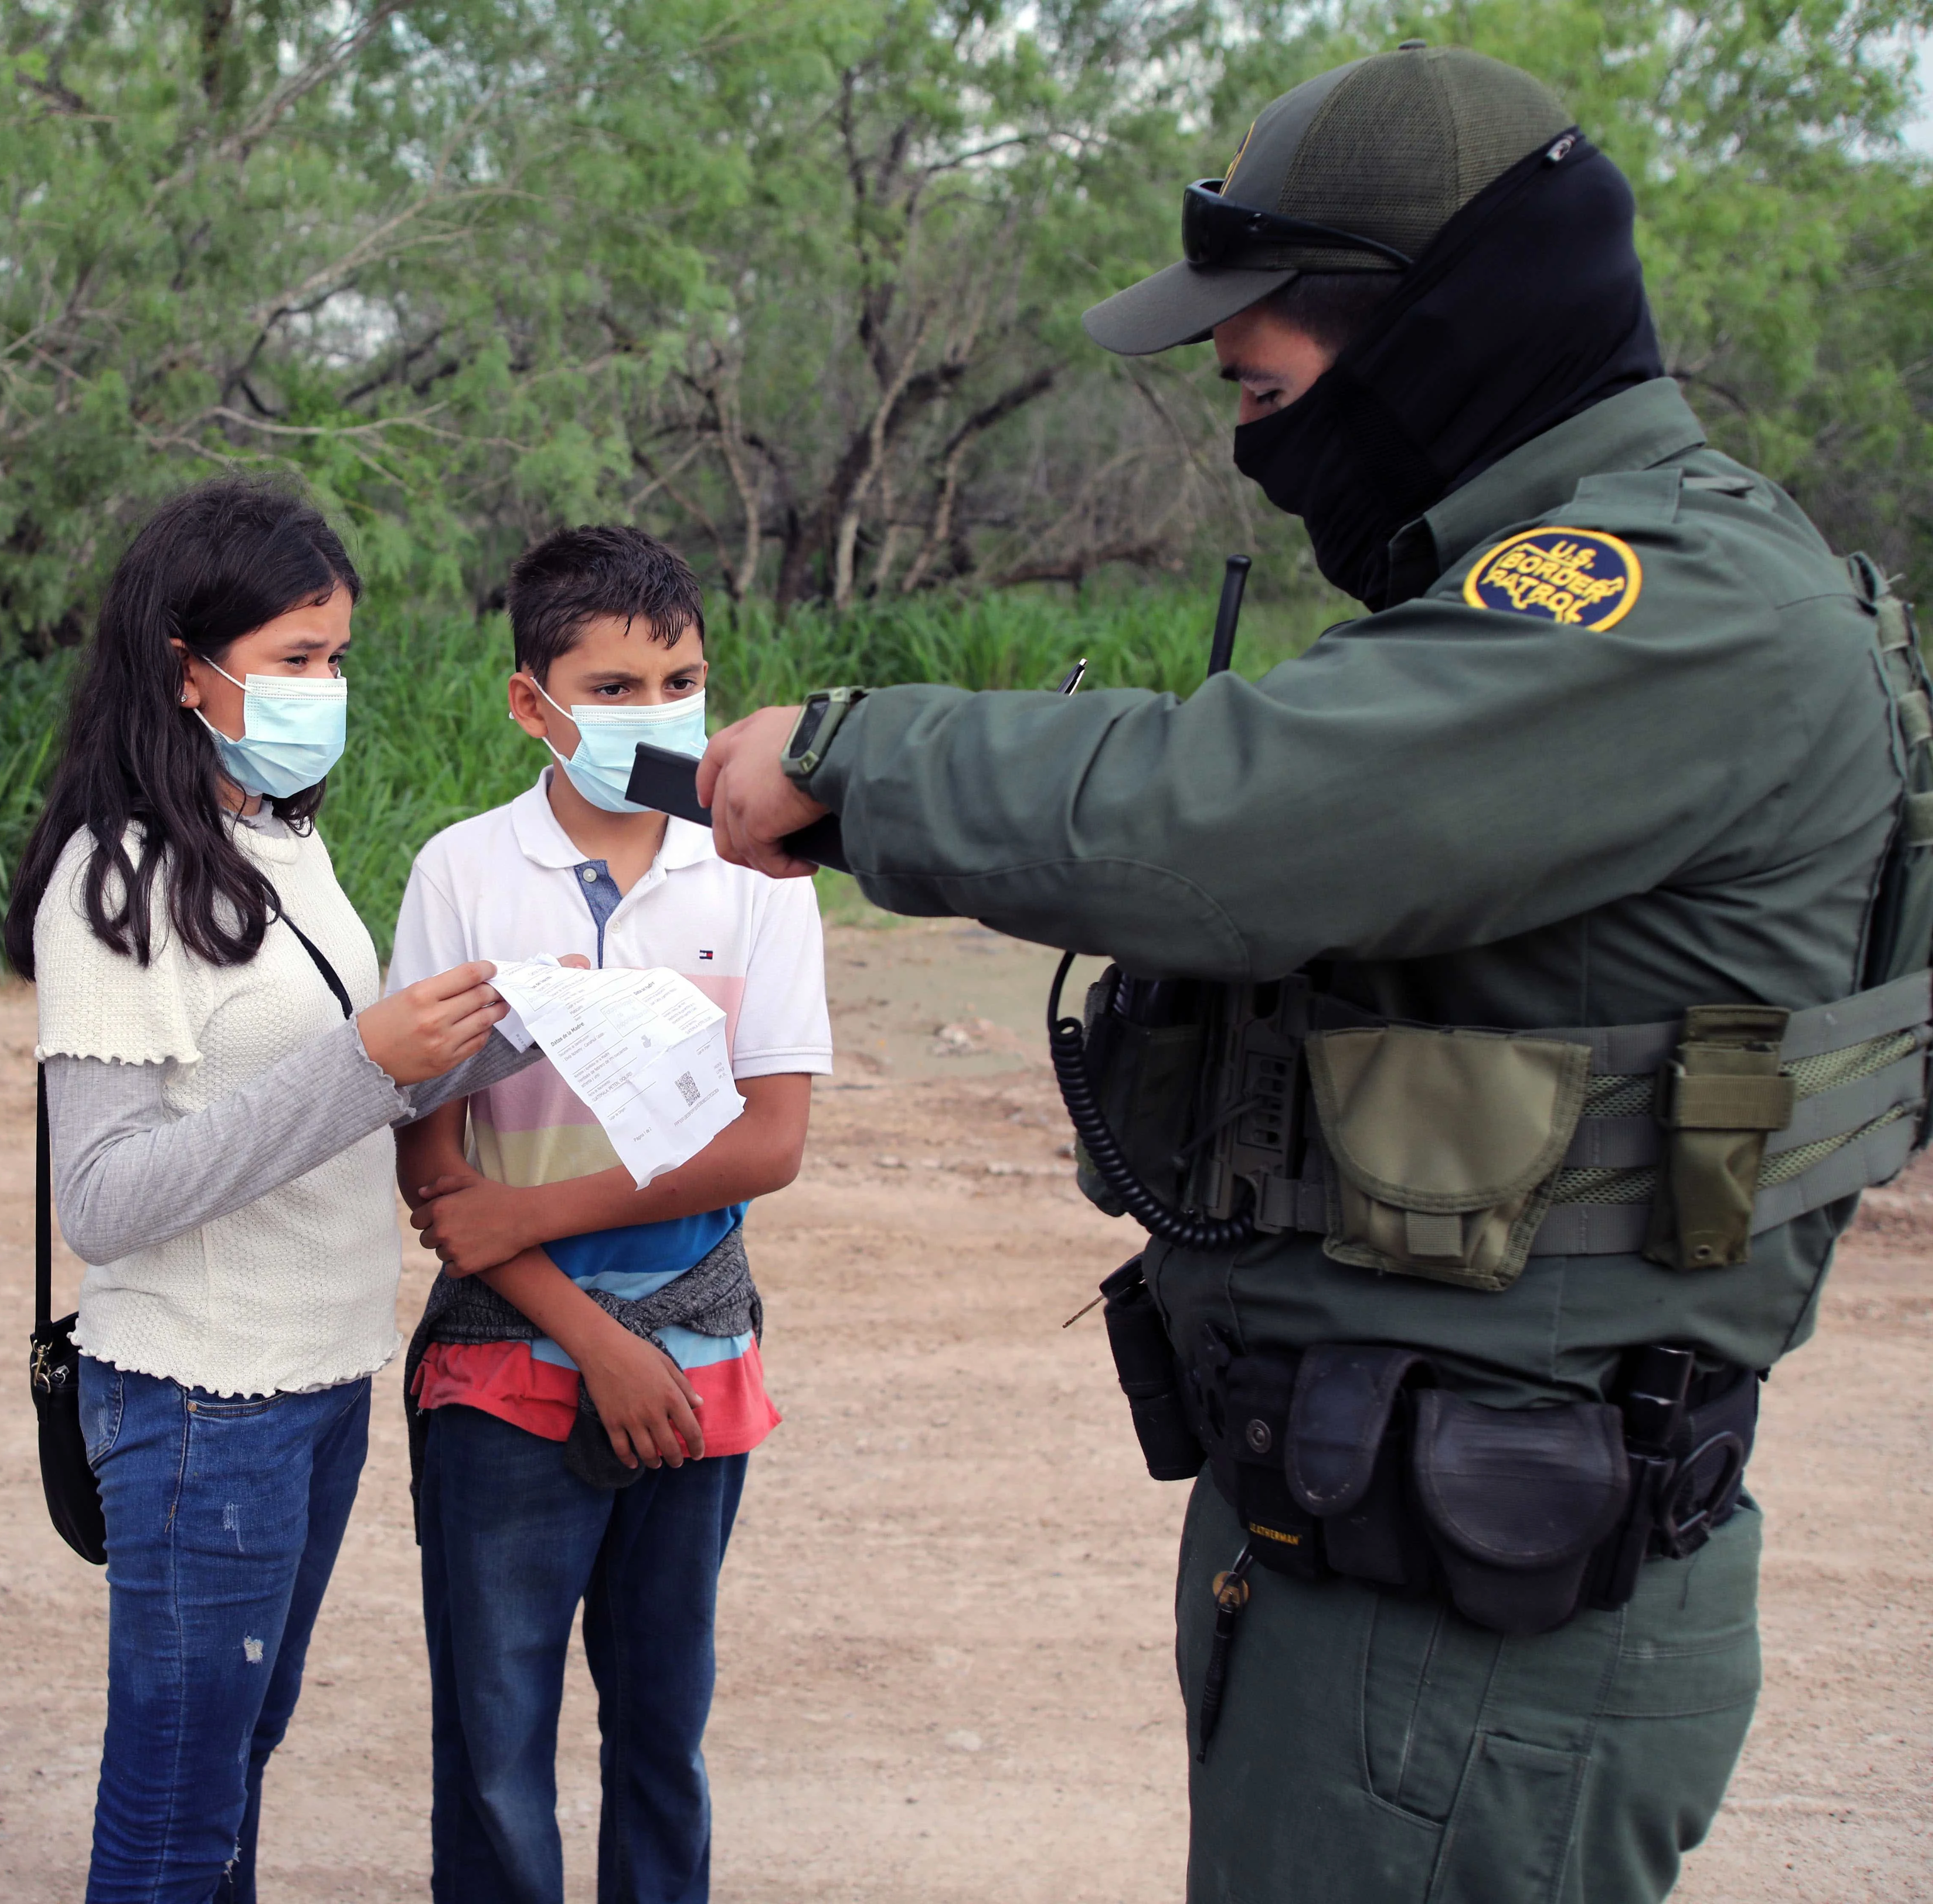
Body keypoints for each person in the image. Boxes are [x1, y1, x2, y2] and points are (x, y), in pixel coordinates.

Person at [696, 42, 1928, 1904]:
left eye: (1261, 332)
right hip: (1396, 1555)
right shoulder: (1598, 588)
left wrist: (855, 757)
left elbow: (1230, 819)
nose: (1227, 378)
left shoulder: (1660, 610)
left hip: (1475, 1624)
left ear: (1444, 322)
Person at [6, 479, 533, 1904]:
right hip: (199, 1400)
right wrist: (368, 1063)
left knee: (233, 1770)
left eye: (339, 657)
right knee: (179, 1812)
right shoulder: (114, 882)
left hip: (315, 1381)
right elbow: (105, 1200)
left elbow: (341, 1094)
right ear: (187, 668)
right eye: (297, 659)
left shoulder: (281, 846)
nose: (328, 687)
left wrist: (509, 1034)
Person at [386, 526, 829, 1904]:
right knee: (495, 1748)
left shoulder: (760, 876)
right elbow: (436, 1175)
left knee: (661, 1736)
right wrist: (591, 1334)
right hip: (503, 1373)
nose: (657, 714)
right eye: (617, 687)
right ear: (535, 703)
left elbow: (769, 1141)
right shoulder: (462, 874)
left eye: (682, 680)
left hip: (696, 1372)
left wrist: (544, 1223)